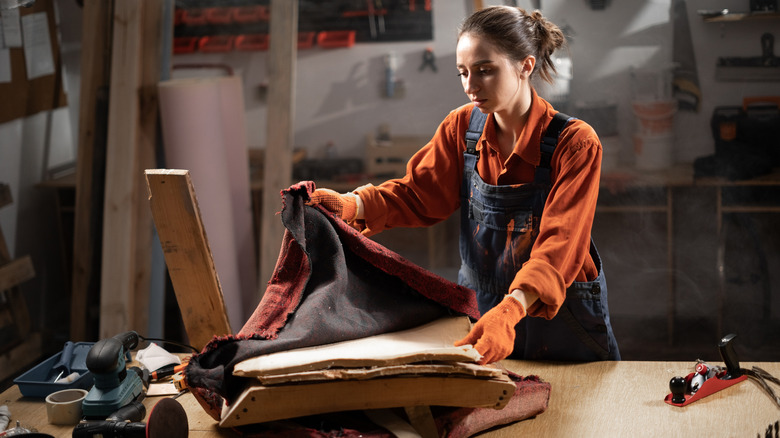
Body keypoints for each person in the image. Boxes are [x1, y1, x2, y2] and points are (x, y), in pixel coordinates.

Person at [308, 6, 620, 363]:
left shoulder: (574, 143)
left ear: (526, 65)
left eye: (485, 71)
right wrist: (353, 205)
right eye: (463, 73)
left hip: (560, 318)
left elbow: (560, 244)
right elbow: (418, 194)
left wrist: (511, 311)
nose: (471, 86)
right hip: (483, 314)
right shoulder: (462, 129)